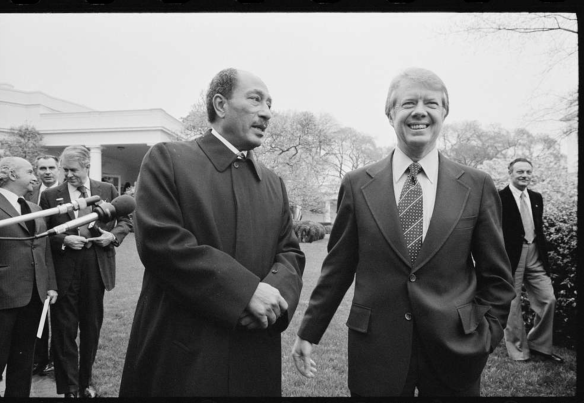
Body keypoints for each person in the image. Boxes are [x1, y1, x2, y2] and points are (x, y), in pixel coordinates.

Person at [291, 67, 515, 397]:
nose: (420, 111)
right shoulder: (356, 185)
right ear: (390, 112)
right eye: (409, 103)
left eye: (432, 104)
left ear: (444, 113)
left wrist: (488, 334)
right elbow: (337, 269)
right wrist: (309, 331)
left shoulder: (476, 185)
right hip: (376, 351)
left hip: (456, 350)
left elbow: (498, 277)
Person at [119, 68, 305, 397]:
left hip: (254, 350)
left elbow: (290, 254)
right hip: (183, 354)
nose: (267, 112)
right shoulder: (168, 159)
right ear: (220, 105)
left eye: (270, 104)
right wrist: (245, 293)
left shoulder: (274, 183)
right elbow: (162, 243)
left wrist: (272, 299)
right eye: (256, 99)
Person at [40, 145, 133, 398]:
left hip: (96, 266)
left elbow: (126, 220)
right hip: (65, 268)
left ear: (87, 166)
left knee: (91, 327)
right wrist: (63, 240)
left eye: (73, 170)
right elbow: (42, 235)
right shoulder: (50, 196)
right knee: (64, 329)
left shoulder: (107, 190)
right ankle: (69, 388)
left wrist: (112, 237)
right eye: (65, 170)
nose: (68, 174)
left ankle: (85, 383)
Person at [0, 157, 58, 397]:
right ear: (12, 174)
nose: (36, 176)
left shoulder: (35, 209)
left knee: (23, 362)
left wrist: (50, 285)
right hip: (3, 294)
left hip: (34, 295)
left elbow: (44, 250)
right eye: (30, 171)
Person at [501, 158, 564, 363]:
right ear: (510, 173)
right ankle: (518, 350)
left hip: (535, 253)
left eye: (528, 172)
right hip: (511, 257)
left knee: (548, 299)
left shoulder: (536, 197)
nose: (525, 175)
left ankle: (539, 345)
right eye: (520, 171)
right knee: (513, 302)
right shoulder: (499, 197)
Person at [26, 155, 60, 377]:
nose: (47, 172)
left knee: (60, 315)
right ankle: (39, 359)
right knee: (38, 311)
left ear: (58, 169)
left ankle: (58, 359)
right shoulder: (30, 193)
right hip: (38, 261)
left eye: (51, 168)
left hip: (62, 260)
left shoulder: (67, 192)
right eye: (42, 168)